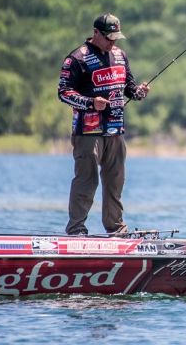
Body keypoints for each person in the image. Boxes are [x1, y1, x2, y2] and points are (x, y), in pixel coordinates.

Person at [58, 13, 149, 236]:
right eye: (109, 37)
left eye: (116, 37)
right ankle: (76, 229)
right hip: (88, 132)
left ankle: (116, 229)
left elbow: (129, 88)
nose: (113, 42)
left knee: (115, 182)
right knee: (86, 182)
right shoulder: (76, 59)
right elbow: (64, 93)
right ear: (96, 33)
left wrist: (139, 93)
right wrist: (90, 102)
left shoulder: (120, 55)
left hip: (115, 131)